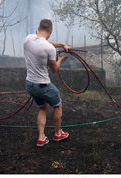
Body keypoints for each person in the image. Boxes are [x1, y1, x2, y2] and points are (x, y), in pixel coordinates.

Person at [23, 19, 71, 147]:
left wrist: (62, 44)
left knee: (43, 108)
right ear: (51, 31)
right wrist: (60, 60)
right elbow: (54, 70)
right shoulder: (49, 49)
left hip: (30, 85)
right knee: (58, 105)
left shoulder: (28, 39)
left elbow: (44, 41)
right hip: (43, 86)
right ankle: (57, 134)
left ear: (38, 29)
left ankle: (41, 138)